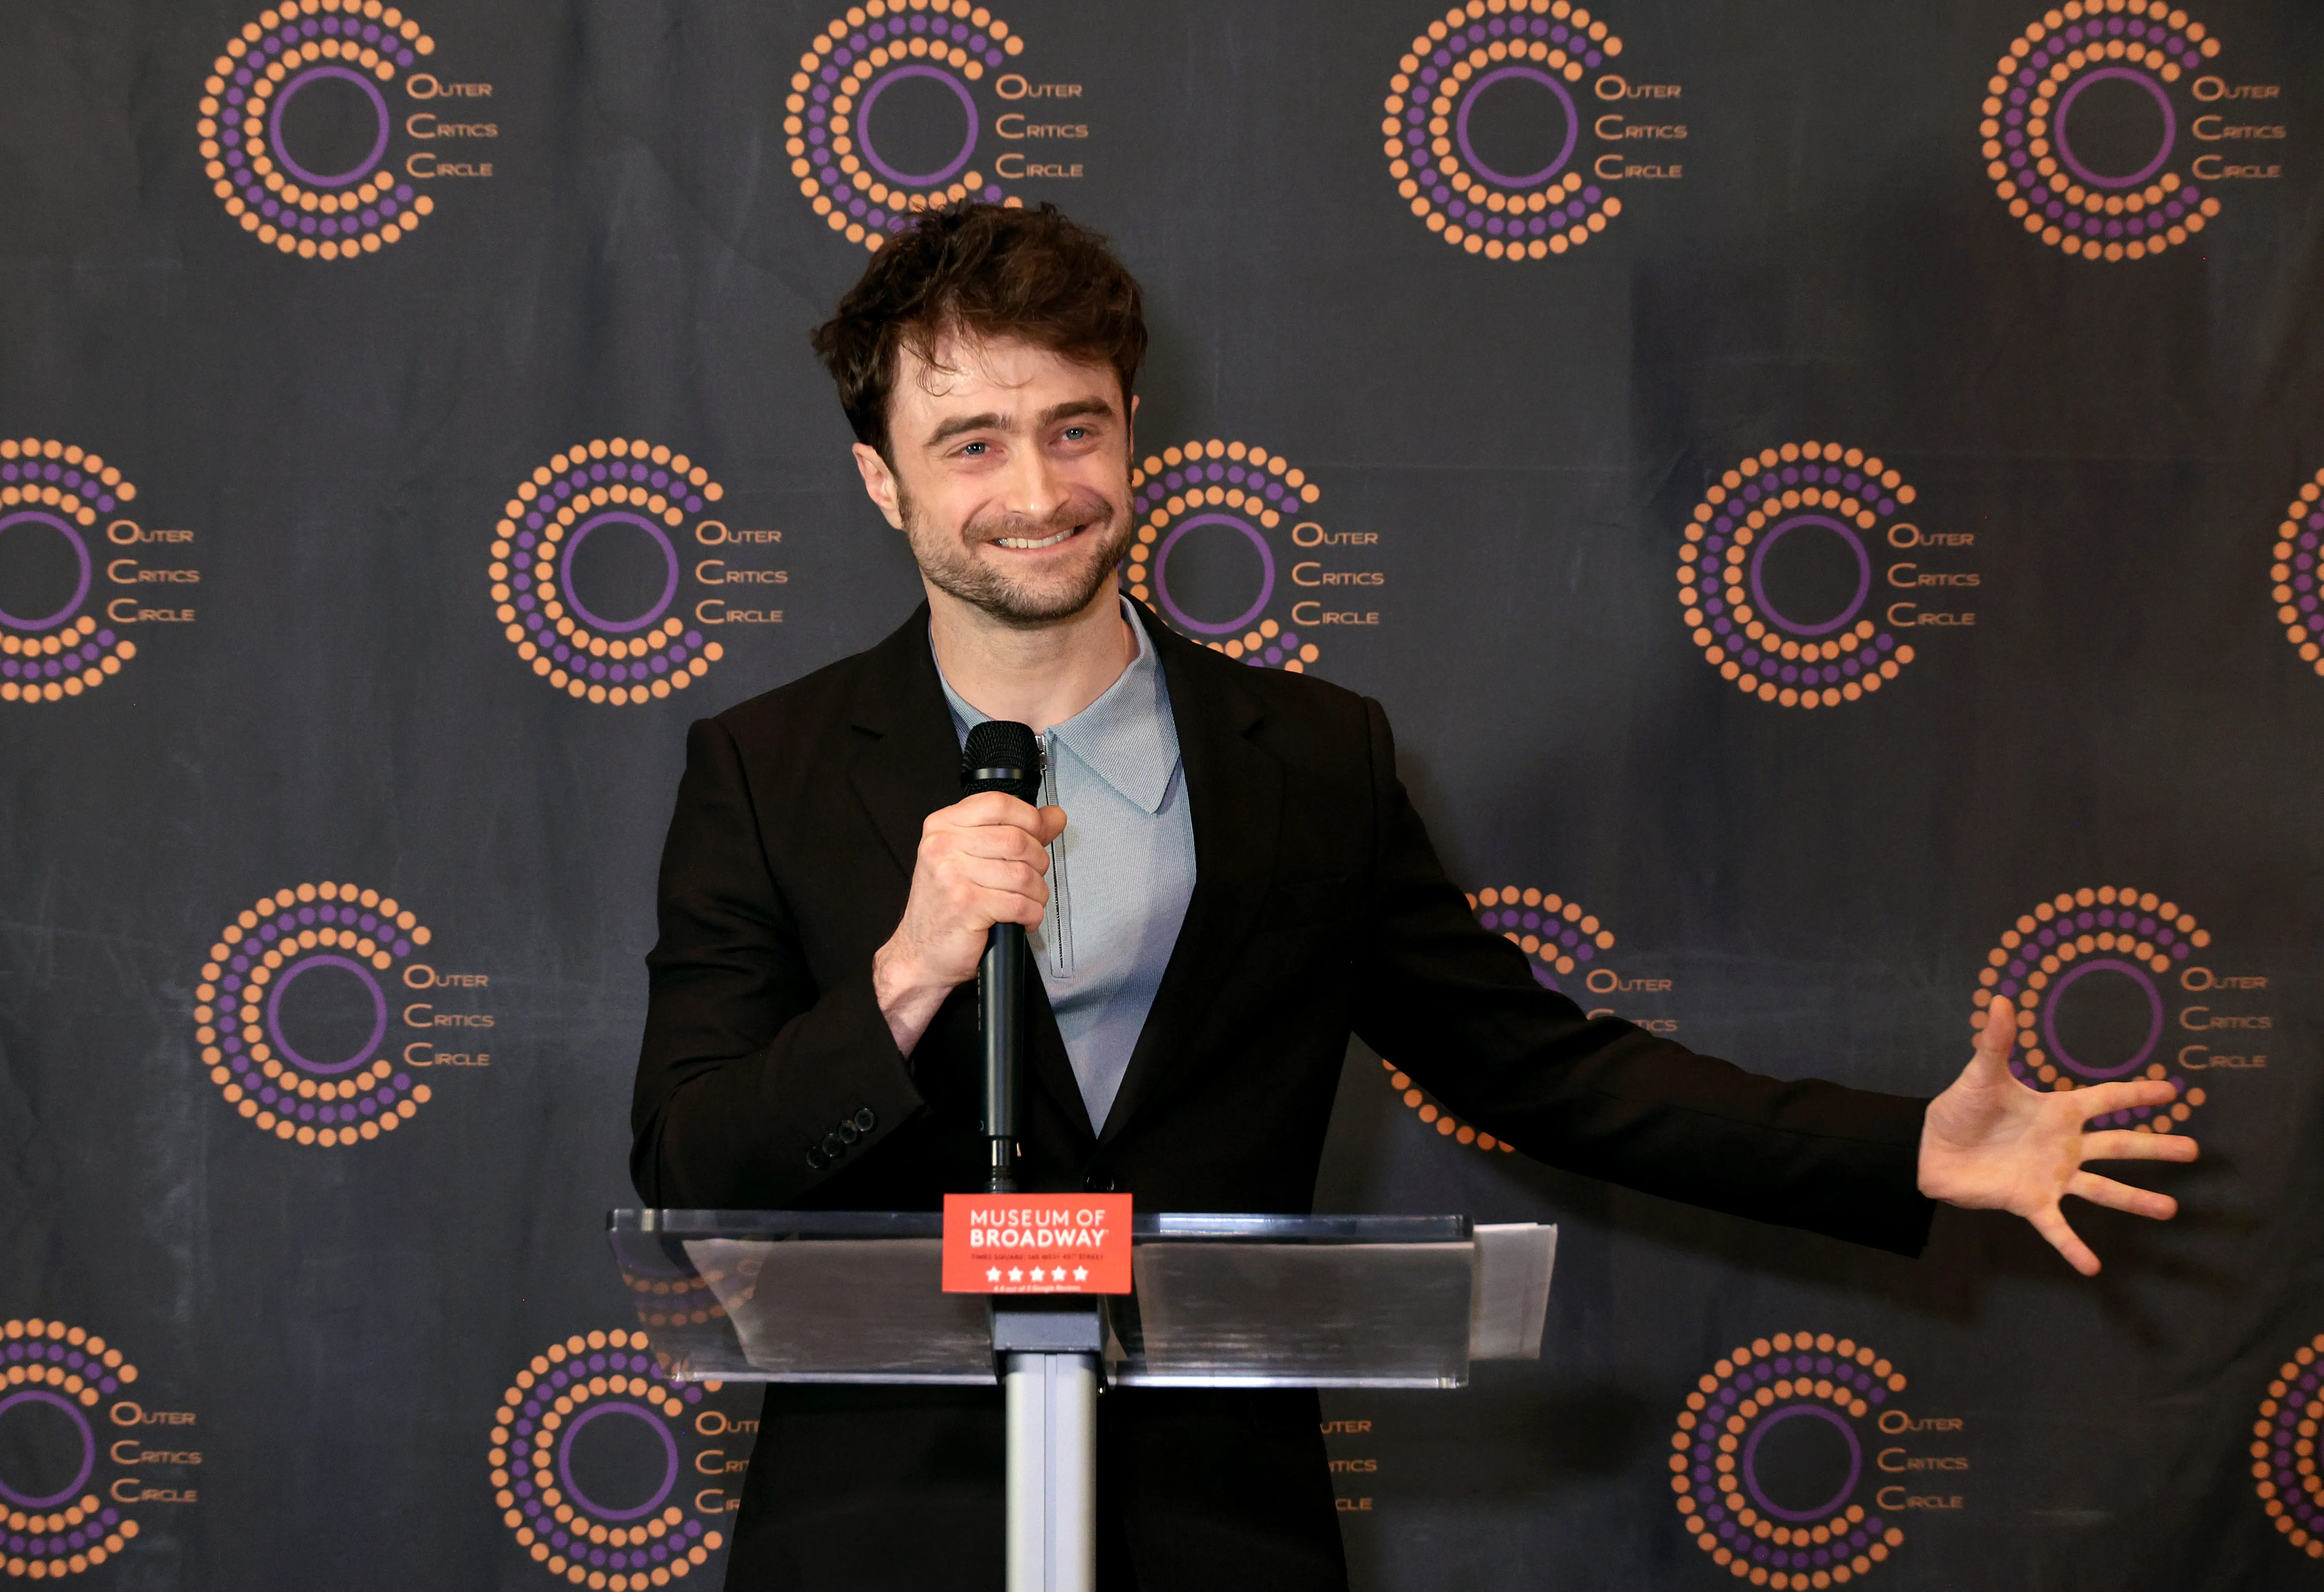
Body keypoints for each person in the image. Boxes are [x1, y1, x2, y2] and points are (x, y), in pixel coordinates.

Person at [629, 203, 2195, 1591]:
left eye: (1076, 426)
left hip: (1219, 1527)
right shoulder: (765, 769)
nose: (1036, 486)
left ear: (1133, 436)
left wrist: (1902, 1148)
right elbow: (691, 1158)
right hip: (880, 1530)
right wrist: (907, 972)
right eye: (971, 440)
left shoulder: (1311, 756)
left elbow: (1537, 1067)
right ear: (880, 479)